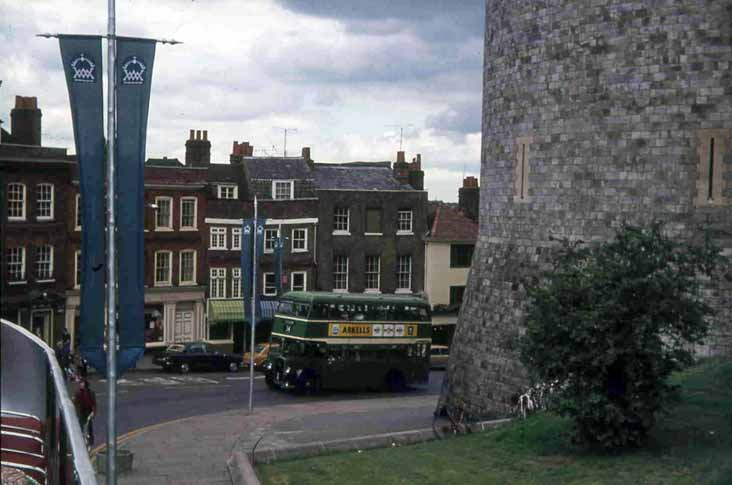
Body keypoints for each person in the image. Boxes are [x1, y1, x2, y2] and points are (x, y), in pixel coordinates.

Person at [74, 378, 96, 445]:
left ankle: (90, 441)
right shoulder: (78, 393)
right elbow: (76, 403)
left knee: (89, 426)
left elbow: (94, 403)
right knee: (81, 425)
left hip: (88, 411)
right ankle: (79, 440)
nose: (81, 385)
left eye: (82, 383)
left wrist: (93, 412)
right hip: (81, 411)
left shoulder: (91, 393)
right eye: (80, 383)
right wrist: (76, 413)